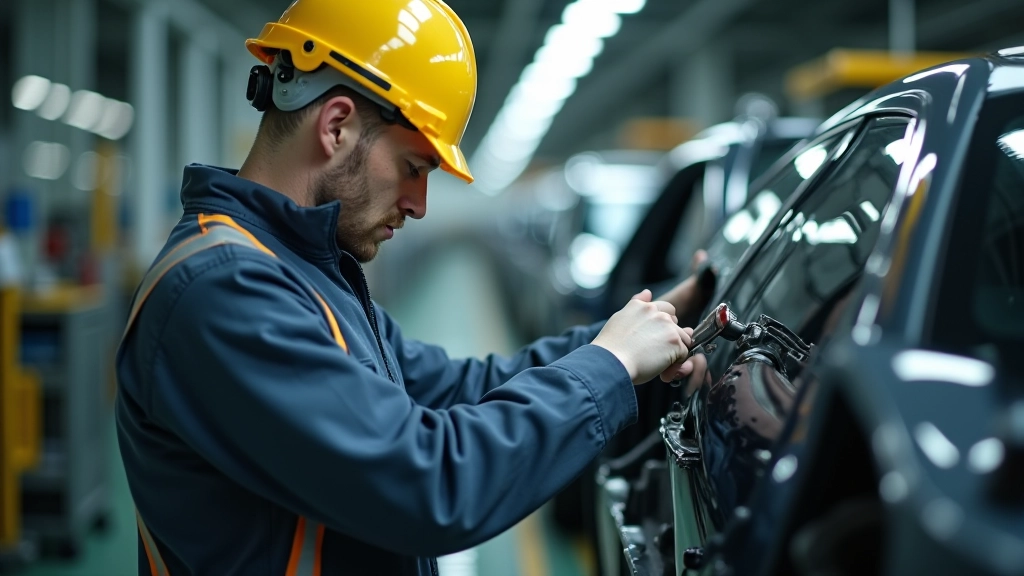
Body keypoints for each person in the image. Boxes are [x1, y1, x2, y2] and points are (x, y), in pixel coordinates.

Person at [115, 1, 709, 574]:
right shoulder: (223, 291)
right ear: (337, 126)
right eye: (414, 168)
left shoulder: (307, 273)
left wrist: (624, 343)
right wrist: (607, 367)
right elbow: (427, 483)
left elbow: (456, 387)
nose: (420, 205)